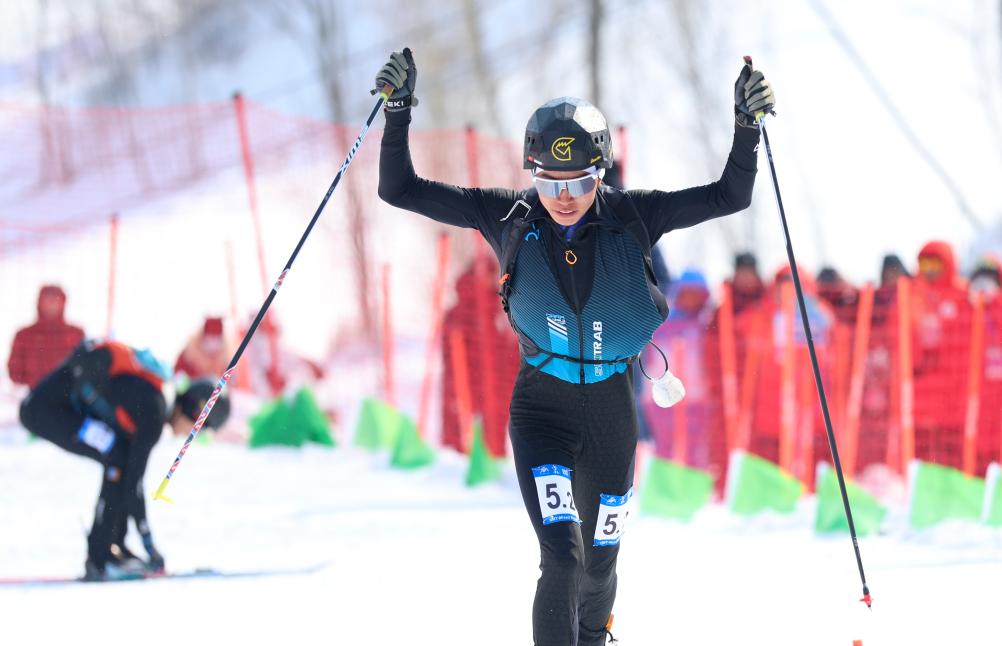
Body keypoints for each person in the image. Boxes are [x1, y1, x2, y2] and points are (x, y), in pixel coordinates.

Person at [375, 47, 774, 645]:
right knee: (562, 557)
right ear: (533, 174)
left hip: (612, 415)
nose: (564, 197)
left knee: (599, 568)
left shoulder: (634, 215)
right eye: (549, 183)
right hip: (542, 412)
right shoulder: (507, 217)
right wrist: (398, 111)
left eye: (581, 183)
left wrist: (746, 127)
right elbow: (400, 188)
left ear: (602, 174)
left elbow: (728, 197)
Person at [18, 339, 231, 580]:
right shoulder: (154, 413)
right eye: (198, 429)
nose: (190, 436)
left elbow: (131, 479)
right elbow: (133, 484)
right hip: (44, 411)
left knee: (118, 454)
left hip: (49, 405)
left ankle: (113, 547)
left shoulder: (159, 396)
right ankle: (100, 558)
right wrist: (149, 544)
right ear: (193, 413)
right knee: (117, 456)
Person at [7, 284, 85, 389]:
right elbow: (15, 371)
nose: (51, 304)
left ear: (63, 302)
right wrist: (35, 386)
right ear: (39, 302)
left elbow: (84, 368)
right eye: (48, 299)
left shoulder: (75, 334)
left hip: (68, 396)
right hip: (34, 394)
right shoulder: (24, 336)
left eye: (55, 299)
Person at [174, 316, 234, 380]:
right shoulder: (188, 356)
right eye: (210, 339)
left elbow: (232, 380)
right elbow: (178, 374)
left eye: (217, 340)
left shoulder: (226, 361)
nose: (213, 345)